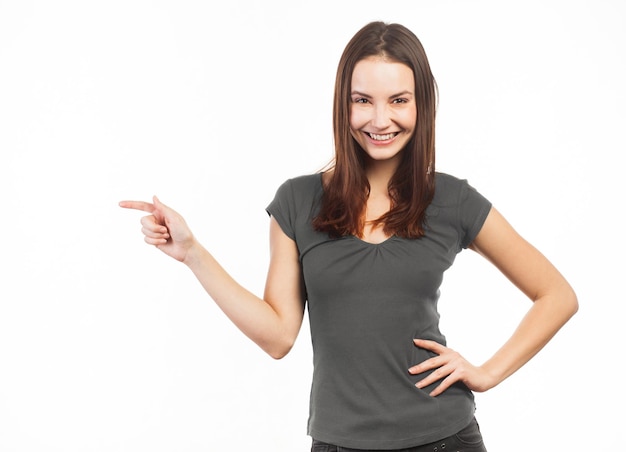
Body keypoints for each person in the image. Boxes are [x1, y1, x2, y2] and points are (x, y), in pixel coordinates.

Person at [120, 21, 578, 452]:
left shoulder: (452, 199)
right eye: (363, 101)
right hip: (338, 443)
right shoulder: (298, 202)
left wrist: (486, 373)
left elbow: (557, 295)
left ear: (422, 104)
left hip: (444, 438)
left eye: (399, 100)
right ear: (344, 103)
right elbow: (278, 337)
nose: (380, 120)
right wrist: (192, 253)